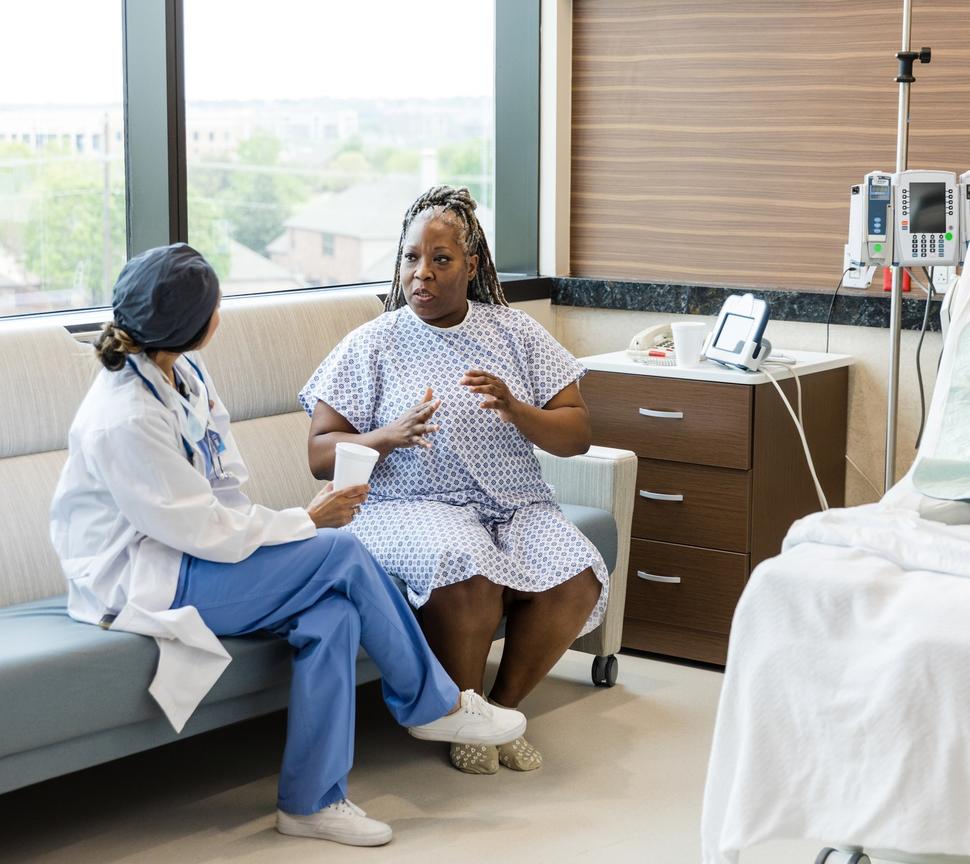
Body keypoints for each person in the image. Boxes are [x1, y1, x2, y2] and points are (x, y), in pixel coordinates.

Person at [49, 243, 526, 847]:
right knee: (343, 552)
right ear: (196, 325)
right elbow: (200, 530)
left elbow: (224, 485)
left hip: (197, 551)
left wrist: (281, 533)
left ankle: (311, 803)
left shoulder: (185, 373)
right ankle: (433, 705)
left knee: (330, 614)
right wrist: (307, 519)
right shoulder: (124, 417)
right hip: (143, 577)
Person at [300, 186, 608, 776]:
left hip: (516, 505)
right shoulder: (374, 342)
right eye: (411, 258)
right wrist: (384, 435)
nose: (423, 274)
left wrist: (517, 409)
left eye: (441, 260)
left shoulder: (514, 332)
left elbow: (576, 434)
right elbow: (319, 454)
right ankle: (464, 715)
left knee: (576, 574)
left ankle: (500, 711)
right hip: (405, 504)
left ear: (471, 266)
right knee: (464, 567)